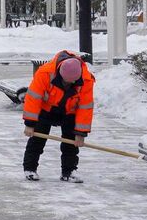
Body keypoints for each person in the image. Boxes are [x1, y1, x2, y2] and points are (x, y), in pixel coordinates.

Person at [21, 51, 94, 182]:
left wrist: (80, 133)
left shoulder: (86, 80)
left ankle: (69, 171)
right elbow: (33, 98)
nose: (70, 84)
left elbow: (85, 107)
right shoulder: (45, 73)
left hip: (70, 111)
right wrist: (30, 124)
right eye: (67, 81)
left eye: (73, 82)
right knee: (37, 139)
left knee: (71, 143)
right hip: (46, 108)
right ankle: (30, 169)